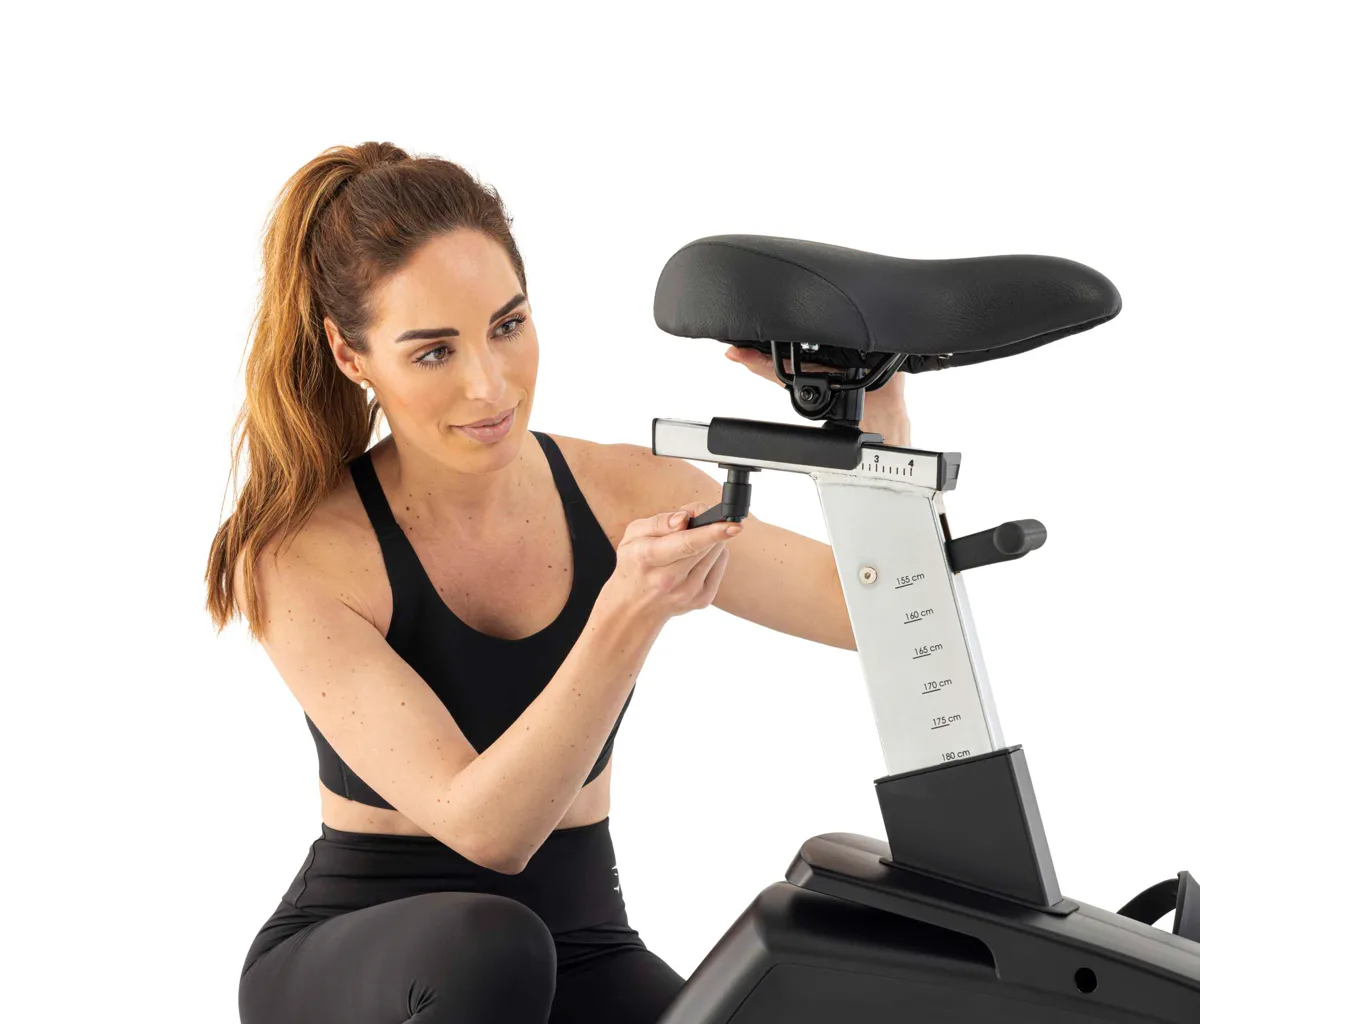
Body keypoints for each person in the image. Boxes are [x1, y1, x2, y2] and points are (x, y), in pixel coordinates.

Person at [204, 141, 912, 1024]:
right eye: (433, 352)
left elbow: (879, 614)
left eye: (507, 326)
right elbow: (488, 832)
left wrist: (877, 423)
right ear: (352, 356)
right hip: (364, 959)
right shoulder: (302, 553)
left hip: (581, 939)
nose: (489, 385)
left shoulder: (625, 489)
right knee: (490, 947)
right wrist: (628, 613)